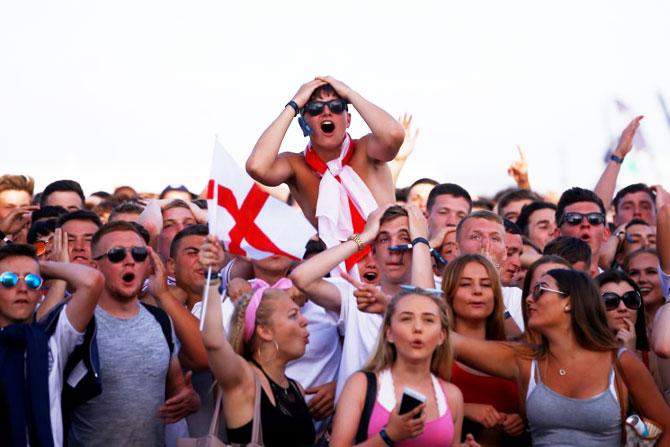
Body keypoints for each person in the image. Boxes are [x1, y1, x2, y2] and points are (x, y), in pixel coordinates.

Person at [452, 268, 670, 446]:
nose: (528, 299)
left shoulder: (620, 362)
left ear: (570, 302)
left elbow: (666, 429)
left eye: (540, 291)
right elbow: (453, 342)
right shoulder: (526, 360)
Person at [68, 221, 200, 446]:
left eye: (139, 254)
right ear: (95, 266)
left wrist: (190, 400)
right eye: (116, 254)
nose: (129, 260)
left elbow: (177, 390)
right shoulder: (74, 322)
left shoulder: (160, 320)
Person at [246, 77, 404, 263]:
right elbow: (257, 166)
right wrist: (293, 105)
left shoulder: (367, 150)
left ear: (348, 119)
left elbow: (393, 135)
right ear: (303, 124)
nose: (326, 113)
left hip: (391, 264)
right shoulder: (296, 165)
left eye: (336, 106)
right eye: (315, 109)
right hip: (337, 273)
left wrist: (350, 93)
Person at [290, 205, 435, 398]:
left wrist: (421, 240)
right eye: (383, 239)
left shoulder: (436, 292)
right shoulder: (356, 294)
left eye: (405, 238)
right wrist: (364, 237)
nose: (393, 248)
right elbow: (301, 277)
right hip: (354, 422)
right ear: (373, 253)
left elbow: (424, 310)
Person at [199, 234, 316, 446]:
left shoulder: (296, 389)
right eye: (293, 315)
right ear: (264, 331)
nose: (304, 321)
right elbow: (214, 341)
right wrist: (212, 275)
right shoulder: (243, 380)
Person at [330, 287, 473, 447]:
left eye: (428, 320)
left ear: (442, 336)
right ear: (389, 333)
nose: (417, 328)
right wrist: (388, 435)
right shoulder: (361, 385)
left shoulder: (452, 396)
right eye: (406, 319)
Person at [0, 243, 104, 446]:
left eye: (32, 281)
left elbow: (92, 281)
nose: (22, 289)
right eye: (8, 280)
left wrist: (42, 266)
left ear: (41, 291)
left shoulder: (53, 338)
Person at [442, 254, 527, 446]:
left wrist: (520, 422)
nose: (477, 291)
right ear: (449, 293)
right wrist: (464, 409)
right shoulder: (435, 352)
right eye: (465, 284)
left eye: (486, 284)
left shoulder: (514, 352)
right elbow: (408, 406)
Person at [554, 187, 609, 274]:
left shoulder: (617, 285)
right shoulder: (543, 282)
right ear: (557, 234)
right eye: (574, 218)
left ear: (606, 233)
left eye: (595, 218)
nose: (585, 224)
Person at [596, 270, 649, 355]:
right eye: (610, 301)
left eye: (631, 300)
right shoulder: (579, 356)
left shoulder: (654, 356)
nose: (623, 308)